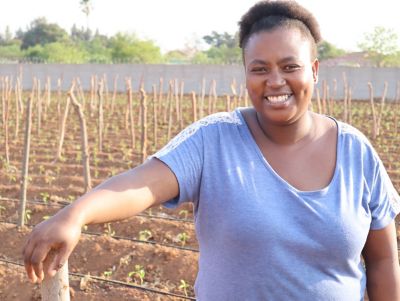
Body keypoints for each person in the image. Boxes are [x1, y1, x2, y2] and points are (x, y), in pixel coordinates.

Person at [23, 1, 400, 300]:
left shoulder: (356, 152)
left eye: (290, 66)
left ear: (314, 70)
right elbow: (142, 184)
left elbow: (382, 259)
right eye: (259, 69)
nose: (275, 81)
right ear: (245, 73)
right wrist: (77, 214)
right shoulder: (213, 140)